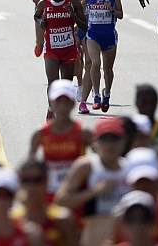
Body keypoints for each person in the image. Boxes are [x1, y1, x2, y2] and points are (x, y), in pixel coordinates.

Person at [56, 118, 129, 246]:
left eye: (114, 139)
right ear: (95, 143)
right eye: (104, 139)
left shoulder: (129, 169)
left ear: (123, 142)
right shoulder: (86, 166)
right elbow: (61, 200)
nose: (109, 145)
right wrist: (95, 191)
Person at [34, 0, 87, 117]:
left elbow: (84, 26)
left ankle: (62, 115)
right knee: (52, 83)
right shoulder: (44, 3)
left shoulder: (74, 2)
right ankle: (51, 111)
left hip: (69, 49)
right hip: (51, 49)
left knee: (65, 86)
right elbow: (36, 16)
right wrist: (41, 22)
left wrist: (73, 15)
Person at [29, 79, 91, 200]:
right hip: (49, 193)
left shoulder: (83, 133)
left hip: (76, 194)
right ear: (51, 103)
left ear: (73, 103)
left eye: (66, 101)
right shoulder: (40, 134)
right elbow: (31, 166)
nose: (62, 106)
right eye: (58, 101)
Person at [82, 0, 123, 112]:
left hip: (109, 36)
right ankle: (97, 95)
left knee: (108, 69)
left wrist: (111, 9)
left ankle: (107, 94)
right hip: (93, 35)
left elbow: (121, 14)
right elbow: (81, 12)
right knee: (95, 63)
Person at [13, 159, 79, 246]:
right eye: (25, 180)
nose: (31, 186)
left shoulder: (62, 218)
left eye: (37, 180)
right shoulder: (12, 219)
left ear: (46, 181)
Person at [65, 0, 94, 114]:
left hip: (90, 25)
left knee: (90, 61)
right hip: (73, 25)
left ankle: (88, 95)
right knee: (77, 58)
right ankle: (80, 84)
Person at [135, 84, 158, 149]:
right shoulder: (130, 128)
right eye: (144, 103)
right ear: (136, 102)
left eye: (152, 103)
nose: (148, 107)